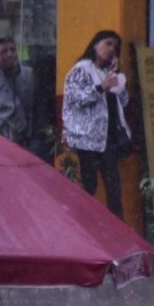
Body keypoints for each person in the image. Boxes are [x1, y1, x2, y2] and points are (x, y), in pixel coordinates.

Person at [62, 30, 132, 220]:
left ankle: (118, 233)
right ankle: (85, 227)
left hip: (107, 139)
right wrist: (101, 87)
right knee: (89, 186)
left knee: (114, 189)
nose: (111, 49)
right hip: (88, 140)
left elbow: (123, 102)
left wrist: (118, 79)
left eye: (115, 47)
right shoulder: (81, 70)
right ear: (95, 44)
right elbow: (75, 99)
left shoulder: (107, 73)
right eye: (107, 44)